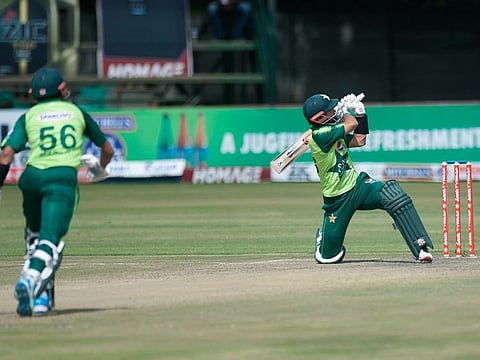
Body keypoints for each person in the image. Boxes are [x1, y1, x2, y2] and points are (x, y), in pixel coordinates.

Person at [0, 67, 114, 316]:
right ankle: (29, 279)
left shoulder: (28, 116)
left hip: (31, 178)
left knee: (35, 237)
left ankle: (40, 300)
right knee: (50, 240)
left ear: (32, 93)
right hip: (60, 179)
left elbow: (6, 154)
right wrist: (100, 169)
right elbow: (107, 149)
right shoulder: (76, 112)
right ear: (62, 90)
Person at [302, 93, 434, 264]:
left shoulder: (332, 131)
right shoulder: (321, 135)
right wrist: (344, 111)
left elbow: (360, 140)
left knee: (393, 194)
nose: (333, 111)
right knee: (328, 257)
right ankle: (324, 244)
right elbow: (351, 124)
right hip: (337, 198)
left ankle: (420, 247)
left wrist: (360, 112)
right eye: (329, 111)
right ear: (319, 118)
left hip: (358, 186)